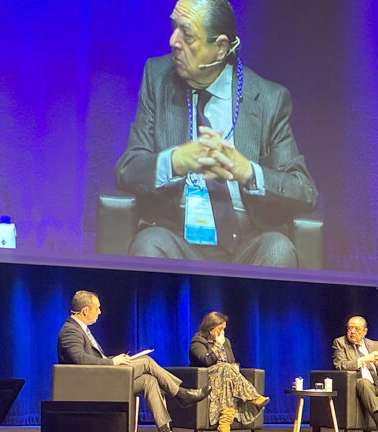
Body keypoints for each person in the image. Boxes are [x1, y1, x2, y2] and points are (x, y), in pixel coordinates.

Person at [115, 0, 317, 267]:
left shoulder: (268, 99)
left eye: (187, 35)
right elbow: (127, 170)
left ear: (221, 47)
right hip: (175, 236)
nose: (173, 41)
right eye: (174, 27)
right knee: (148, 245)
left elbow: (303, 190)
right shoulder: (157, 78)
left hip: (248, 243)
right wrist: (175, 160)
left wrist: (248, 172)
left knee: (278, 249)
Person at [57, 290, 211, 432]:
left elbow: (95, 358)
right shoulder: (70, 331)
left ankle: (164, 428)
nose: (100, 312)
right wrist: (112, 363)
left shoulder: (81, 329)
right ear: (85, 311)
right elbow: (79, 359)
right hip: (92, 383)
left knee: (148, 380)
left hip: (102, 377)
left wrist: (116, 359)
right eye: (97, 308)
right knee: (146, 362)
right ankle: (182, 394)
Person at [189, 312, 269, 432]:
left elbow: (231, 361)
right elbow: (205, 361)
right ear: (211, 328)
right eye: (220, 329)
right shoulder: (198, 342)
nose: (223, 332)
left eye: (224, 329)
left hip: (225, 380)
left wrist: (233, 366)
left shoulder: (226, 341)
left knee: (228, 368)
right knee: (225, 368)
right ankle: (253, 397)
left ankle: (225, 422)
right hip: (207, 379)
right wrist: (218, 345)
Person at [332, 316, 378, 432]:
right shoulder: (340, 343)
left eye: (356, 329)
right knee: (364, 382)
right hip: (356, 385)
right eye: (349, 328)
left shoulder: (375, 345)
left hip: (377, 383)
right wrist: (365, 360)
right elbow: (340, 365)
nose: (352, 332)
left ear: (365, 331)